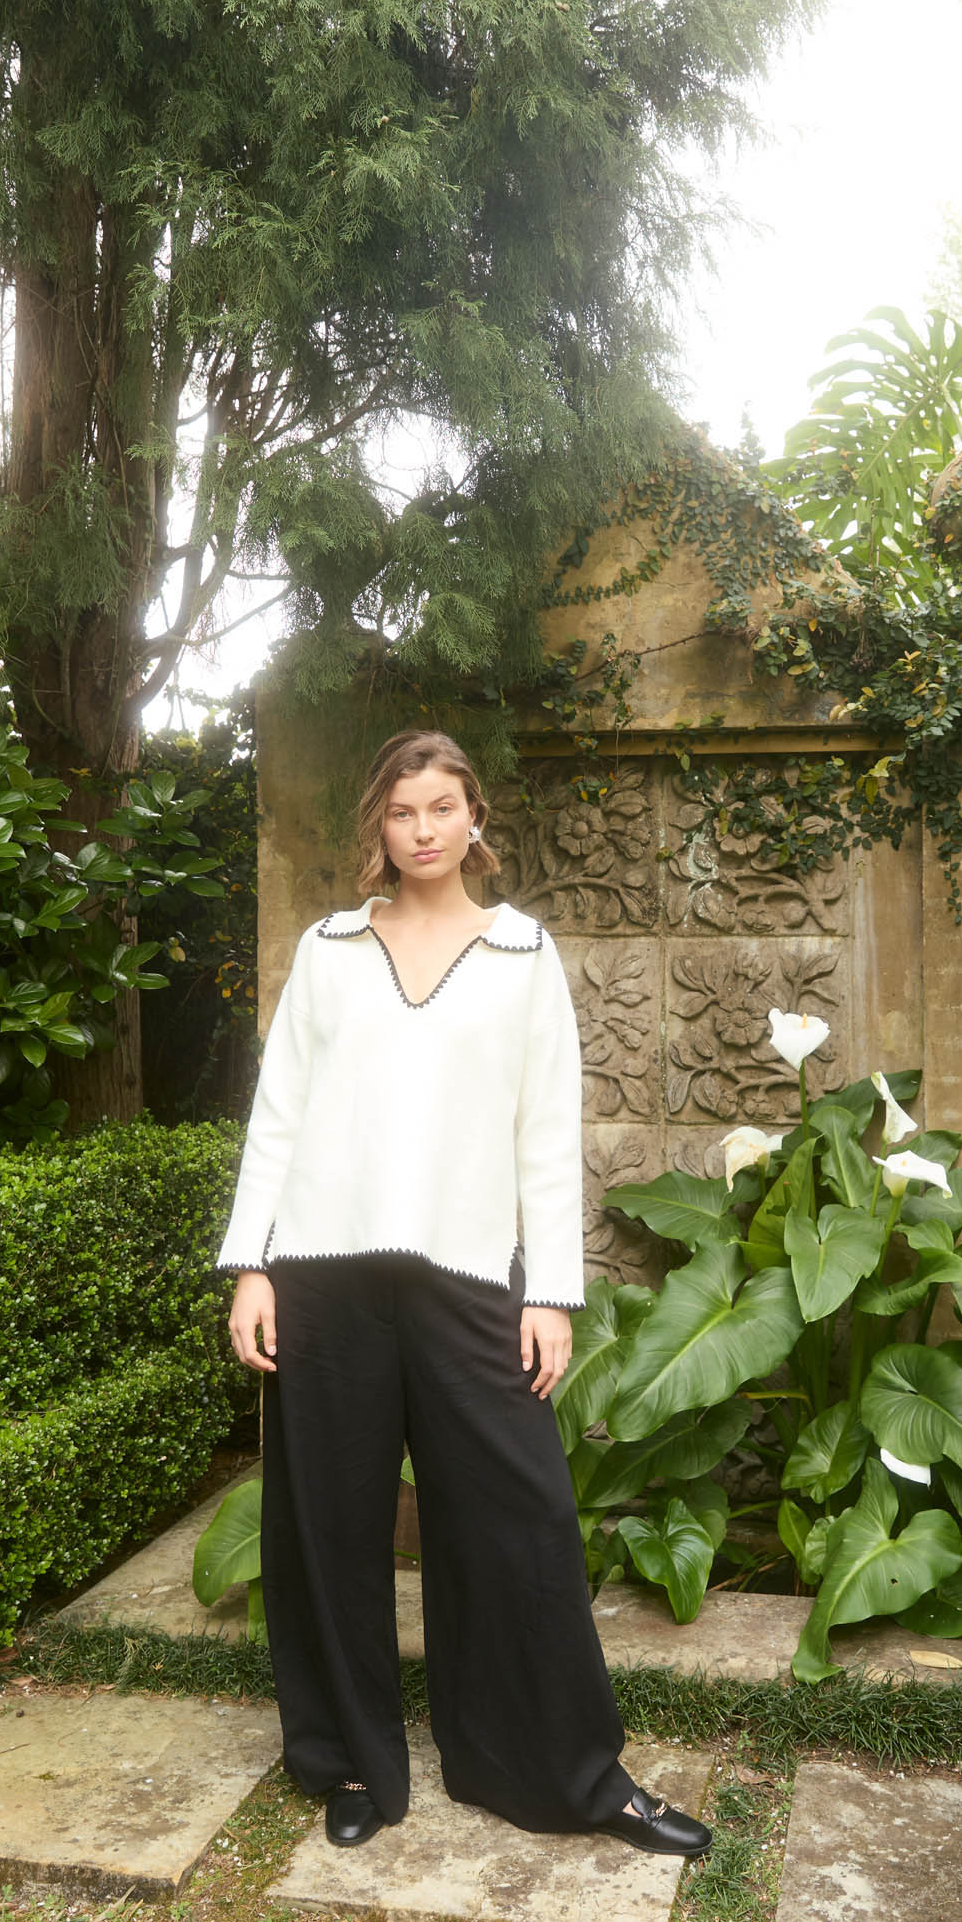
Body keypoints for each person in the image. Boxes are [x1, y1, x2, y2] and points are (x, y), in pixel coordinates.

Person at [218, 727, 711, 1860]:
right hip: (323, 1275)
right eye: (403, 812)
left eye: (442, 807)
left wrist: (552, 1293)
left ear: (473, 816)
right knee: (327, 1526)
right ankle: (349, 1761)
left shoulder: (522, 954)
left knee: (520, 1519)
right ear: (379, 827)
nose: (423, 830)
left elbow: (547, 1129)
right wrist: (252, 1264)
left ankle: (564, 1773)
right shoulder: (330, 950)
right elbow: (277, 1114)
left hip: (472, 1278)